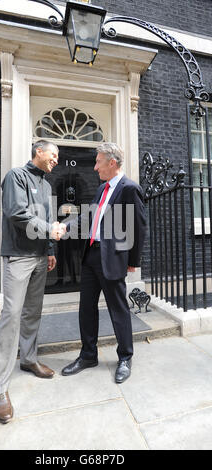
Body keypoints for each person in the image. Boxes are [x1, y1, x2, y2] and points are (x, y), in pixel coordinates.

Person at [59, 143, 146, 383]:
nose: (95, 167)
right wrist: (65, 227)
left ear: (112, 163)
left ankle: (125, 358)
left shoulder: (129, 188)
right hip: (91, 256)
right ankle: (88, 355)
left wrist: (133, 260)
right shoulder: (101, 189)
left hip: (113, 257)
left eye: (98, 162)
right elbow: (89, 216)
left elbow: (138, 227)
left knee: (118, 310)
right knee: (86, 308)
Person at [0, 140, 62, 424]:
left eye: (58, 157)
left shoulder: (46, 186)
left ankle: (29, 359)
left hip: (38, 258)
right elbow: (16, 213)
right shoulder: (15, 176)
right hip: (18, 258)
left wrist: (49, 249)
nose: (56, 160)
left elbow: (47, 217)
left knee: (33, 312)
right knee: (11, 316)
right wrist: (50, 229)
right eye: (53, 155)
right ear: (39, 152)